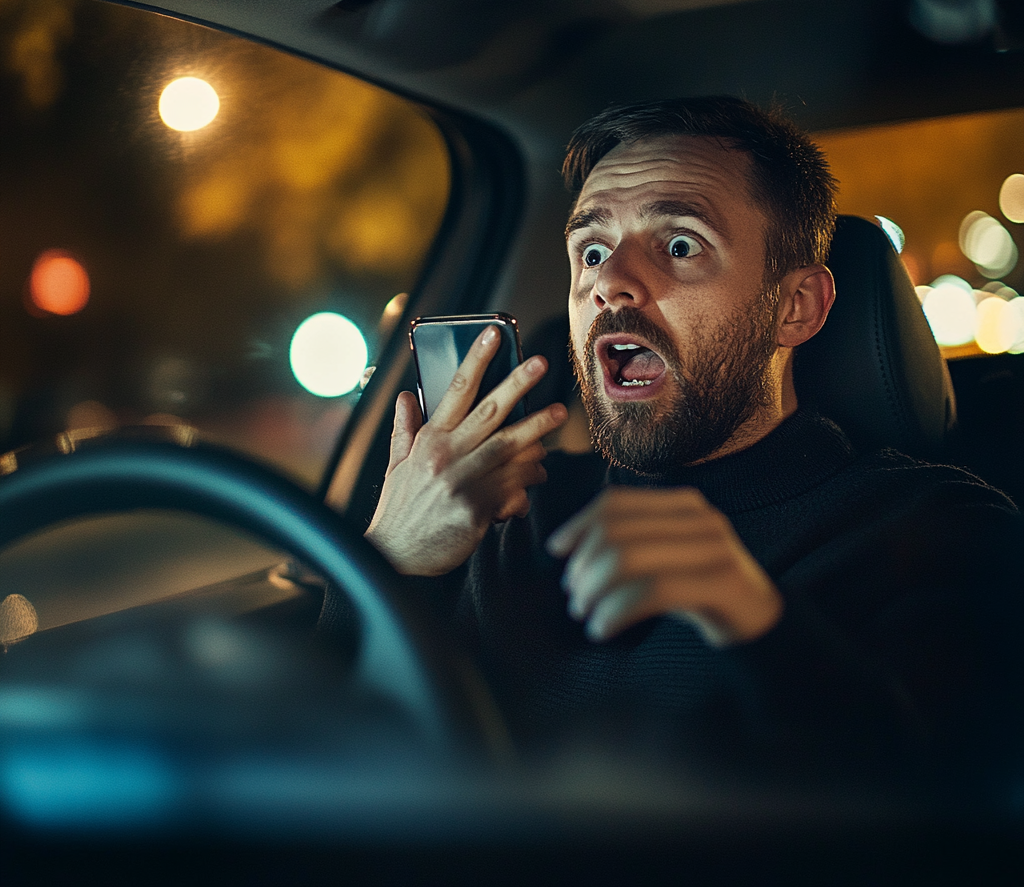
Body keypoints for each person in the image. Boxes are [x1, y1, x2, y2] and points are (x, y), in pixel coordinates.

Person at [360, 97, 1021, 772]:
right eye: (591, 250)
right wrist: (390, 562)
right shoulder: (505, 515)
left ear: (796, 307)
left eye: (679, 245)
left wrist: (754, 623)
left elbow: (944, 816)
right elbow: (337, 773)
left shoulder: (944, 530)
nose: (609, 284)